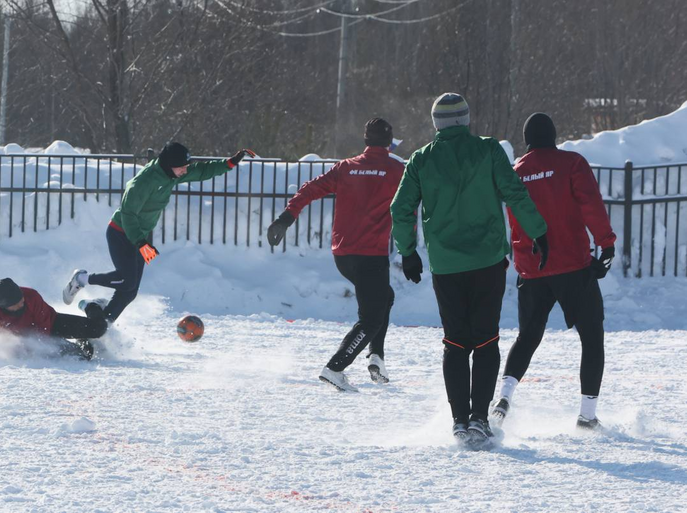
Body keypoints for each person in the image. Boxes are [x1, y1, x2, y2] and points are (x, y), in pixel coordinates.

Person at [390, 93, 548, 446]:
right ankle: (480, 417)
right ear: (465, 119)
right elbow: (515, 193)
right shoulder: (489, 150)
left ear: (436, 124)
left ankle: (459, 419)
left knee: (455, 341)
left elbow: (400, 209)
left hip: (446, 265)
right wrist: (537, 231)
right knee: (487, 339)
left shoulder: (420, 160)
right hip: (487, 261)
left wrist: (408, 251)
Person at [491, 113, 616, 430]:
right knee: (591, 336)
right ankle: (587, 415)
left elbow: (514, 219)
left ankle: (503, 398)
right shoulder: (571, 163)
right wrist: (606, 243)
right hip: (573, 265)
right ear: (554, 135)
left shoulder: (516, 171)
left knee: (527, 338)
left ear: (526, 139)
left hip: (532, 269)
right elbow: (590, 203)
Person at [267, 118, 404, 391]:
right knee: (371, 318)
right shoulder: (396, 169)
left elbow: (309, 188)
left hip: (343, 255)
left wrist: (287, 216)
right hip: (371, 255)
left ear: (366, 140)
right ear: (389, 143)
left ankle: (376, 357)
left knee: (384, 298)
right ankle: (335, 367)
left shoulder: (346, 167)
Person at [62, 142, 254, 322]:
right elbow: (128, 214)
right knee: (125, 280)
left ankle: (104, 323)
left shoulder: (172, 174)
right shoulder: (144, 182)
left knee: (130, 291)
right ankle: (81, 279)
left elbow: (200, 171)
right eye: (182, 167)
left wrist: (229, 163)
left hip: (139, 237)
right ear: (170, 164)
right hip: (121, 233)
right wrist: (141, 243)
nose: (185, 170)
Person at [0, 278, 107, 360]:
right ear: (5, 306)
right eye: (18, 303)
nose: (23, 303)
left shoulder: (31, 296)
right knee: (82, 357)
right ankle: (83, 341)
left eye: (21, 299)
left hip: (52, 324)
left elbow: (44, 327)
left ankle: (91, 306)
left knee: (98, 329)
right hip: (26, 342)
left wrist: (42, 348)